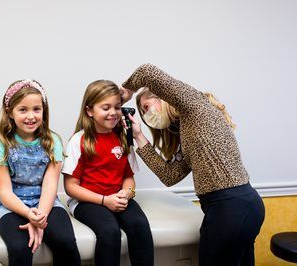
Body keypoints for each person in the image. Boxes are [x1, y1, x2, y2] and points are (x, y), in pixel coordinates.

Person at [121, 63, 265, 266]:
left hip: (232, 206)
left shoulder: (195, 107)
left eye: (146, 107)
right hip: (230, 208)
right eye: (143, 112)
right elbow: (169, 176)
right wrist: (138, 136)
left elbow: (147, 72)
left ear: (164, 97)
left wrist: (126, 90)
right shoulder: (187, 133)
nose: (146, 115)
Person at [0, 79, 81, 266]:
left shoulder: (52, 141)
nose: (31, 116)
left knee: (66, 242)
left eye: (36, 109)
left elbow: (50, 185)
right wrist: (29, 214)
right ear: (10, 113)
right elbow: (4, 192)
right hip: (13, 205)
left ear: (43, 111)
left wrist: (40, 217)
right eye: (23, 110)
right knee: (20, 247)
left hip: (46, 203)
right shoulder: (0, 145)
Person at [62, 80, 154, 266]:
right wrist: (105, 201)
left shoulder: (122, 137)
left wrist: (127, 193)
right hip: (87, 202)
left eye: (117, 107)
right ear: (90, 111)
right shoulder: (79, 140)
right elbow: (70, 187)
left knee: (140, 225)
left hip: (117, 198)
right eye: (106, 108)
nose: (113, 112)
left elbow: (128, 177)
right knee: (109, 230)